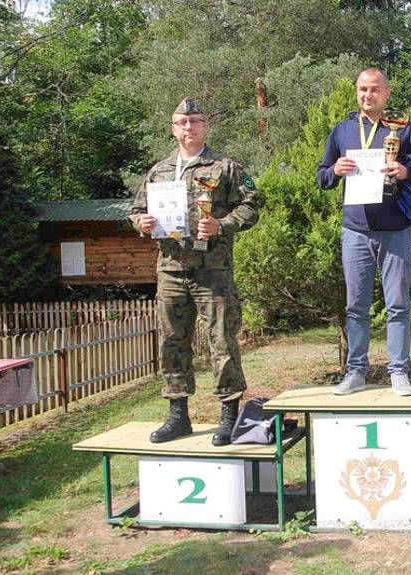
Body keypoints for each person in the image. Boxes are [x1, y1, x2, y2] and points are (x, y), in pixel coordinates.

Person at [128, 97, 259, 445]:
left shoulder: (226, 167)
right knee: (172, 342)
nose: (189, 127)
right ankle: (178, 416)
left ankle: (229, 414)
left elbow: (252, 205)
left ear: (206, 126)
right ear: (173, 129)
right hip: (170, 270)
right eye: (182, 122)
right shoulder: (158, 172)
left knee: (222, 341)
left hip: (212, 271)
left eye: (196, 121)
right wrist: (141, 222)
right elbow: (136, 211)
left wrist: (223, 224)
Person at [316, 67, 411, 396]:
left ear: (386, 94)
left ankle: (399, 371)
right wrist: (335, 170)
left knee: (397, 304)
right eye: (362, 89)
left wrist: (405, 170)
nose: (367, 95)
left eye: (374, 89)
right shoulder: (342, 132)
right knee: (355, 306)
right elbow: (322, 178)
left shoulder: (406, 131)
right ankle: (356, 371)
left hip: (397, 229)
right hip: (355, 231)